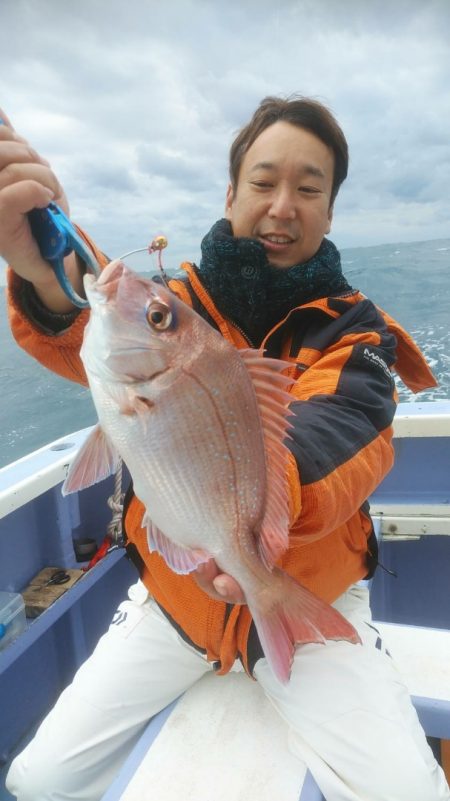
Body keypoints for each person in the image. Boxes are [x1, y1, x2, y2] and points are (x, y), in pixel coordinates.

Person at [1, 96, 449, 801]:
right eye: (263, 181)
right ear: (231, 194)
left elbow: (338, 435)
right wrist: (43, 271)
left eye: (308, 189)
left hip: (310, 587)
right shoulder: (175, 305)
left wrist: (250, 538)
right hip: (175, 601)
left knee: (408, 793)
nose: (282, 206)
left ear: (331, 211)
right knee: (38, 780)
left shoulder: (357, 336)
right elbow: (92, 321)